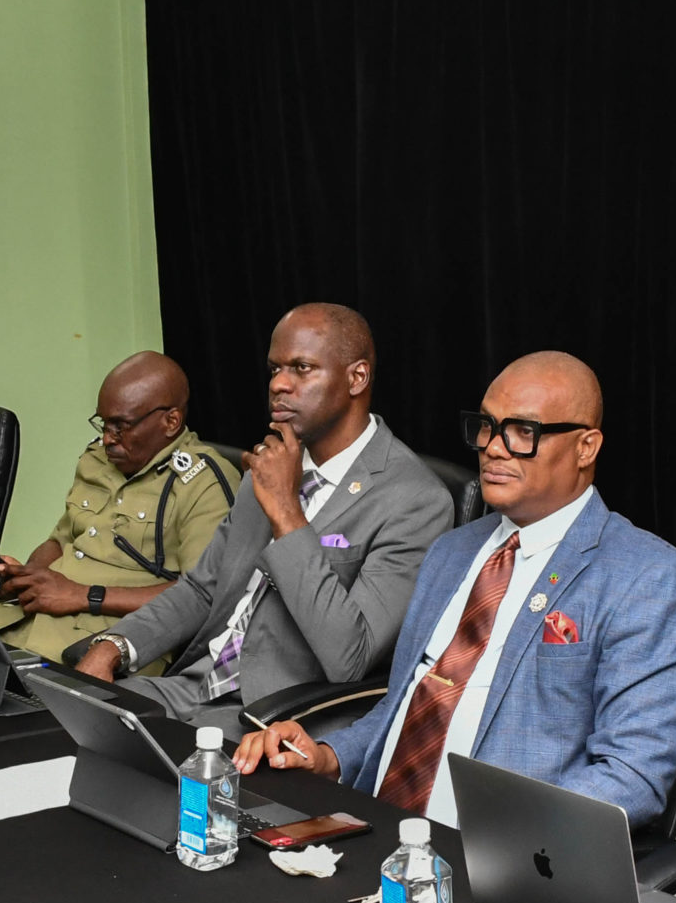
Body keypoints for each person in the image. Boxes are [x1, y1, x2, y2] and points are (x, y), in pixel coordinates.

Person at [237, 351, 676, 826]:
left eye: (523, 431)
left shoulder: (651, 580)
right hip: (370, 824)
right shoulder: (453, 551)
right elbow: (408, 706)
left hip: (500, 853)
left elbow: (631, 777)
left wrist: (505, 844)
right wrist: (329, 756)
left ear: (586, 448)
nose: (493, 447)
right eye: (487, 426)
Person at [71, 302, 452, 722]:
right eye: (274, 369)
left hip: (275, 716)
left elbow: (351, 657)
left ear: (356, 377)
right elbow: (202, 590)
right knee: (65, 717)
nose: (279, 385)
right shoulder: (269, 466)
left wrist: (287, 513)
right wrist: (114, 646)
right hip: (192, 688)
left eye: (302, 368)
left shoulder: (415, 500)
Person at [0, 351, 239, 668]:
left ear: (170, 421)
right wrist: (25, 577)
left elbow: (200, 596)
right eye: (104, 424)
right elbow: (61, 540)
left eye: (121, 426)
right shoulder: (96, 461)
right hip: (29, 618)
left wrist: (83, 595)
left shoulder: (202, 483)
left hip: (106, 641)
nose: (107, 439)